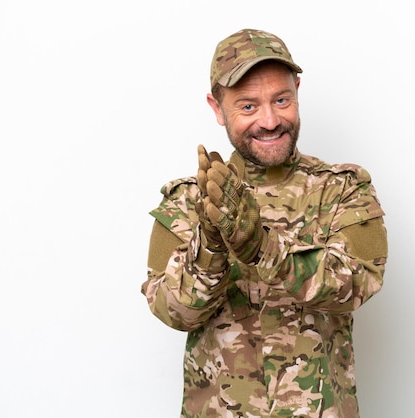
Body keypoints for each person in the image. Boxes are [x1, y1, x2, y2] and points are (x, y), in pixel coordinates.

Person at [141, 28, 388, 417]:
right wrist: (211, 243)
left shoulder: (343, 189)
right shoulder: (188, 200)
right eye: (248, 106)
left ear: (298, 92)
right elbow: (175, 312)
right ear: (217, 108)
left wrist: (261, 247)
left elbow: (358, 284)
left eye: (282, 99)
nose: (270, 120)